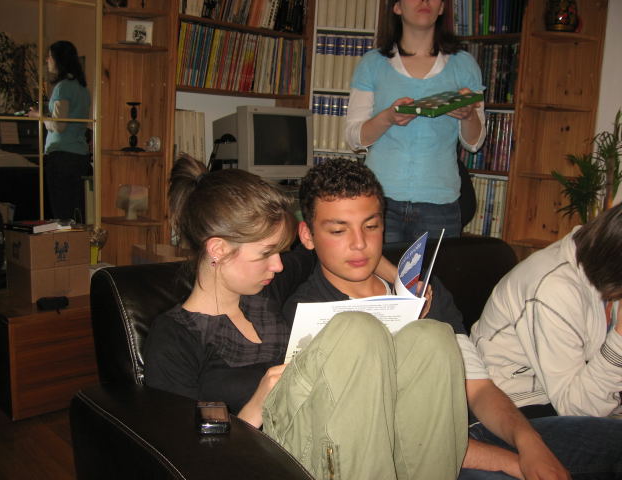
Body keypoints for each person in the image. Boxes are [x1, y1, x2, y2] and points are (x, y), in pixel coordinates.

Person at [284, 158, 622, 479]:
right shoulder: (308, 315)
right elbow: (368, 441)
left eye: (371, 226)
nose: (359, 244)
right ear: (308, 236)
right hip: (409, 457)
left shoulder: (424, 291)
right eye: (338, 231)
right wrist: (511, 462)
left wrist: (529, 442)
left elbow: (477, 388)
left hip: (462, 436)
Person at [144, 156, 469, 479]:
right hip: (263, 455)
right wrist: (256, 406)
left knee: (432, 338)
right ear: (217, 250)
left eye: (279, 251)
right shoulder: (174, 337)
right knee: (357, 329)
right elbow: (184, 457)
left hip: (329, 429)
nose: (278, 265)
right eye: (266, 253)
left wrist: (402, 283)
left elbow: (343, 250)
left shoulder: (269, 289)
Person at [345, 0, 485, 243]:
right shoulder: (373, 63)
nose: (424, 1)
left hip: (440, 205)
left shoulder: (464, 64)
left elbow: (475, 142)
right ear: (397, 7)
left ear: (441, 8)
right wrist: (387, 117)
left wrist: (468, 114)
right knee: (380, 270)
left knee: (434, 270)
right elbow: (353, 138)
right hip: (379, 201)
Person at [471, 204, 622, 419]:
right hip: (516, 405)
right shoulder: (553, 289)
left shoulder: (596, 259)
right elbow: (576, 411)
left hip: (571, 397)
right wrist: (619, 338)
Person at [29, 40, 90, 220]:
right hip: (80, 155)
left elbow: (59, 125)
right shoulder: (82, 89)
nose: (47, 60)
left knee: (62, 213)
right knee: (77, 212)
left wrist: (39, 116)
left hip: (62, 156)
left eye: (50, 56)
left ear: (58, 60)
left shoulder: (63, 87)